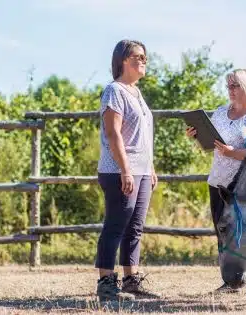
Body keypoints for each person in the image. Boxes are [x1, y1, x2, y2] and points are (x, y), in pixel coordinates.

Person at [186, 69, 246, 295]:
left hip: (245, 185)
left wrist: (233, 153)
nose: (230, 90)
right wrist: (197, 137)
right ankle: (231, 281)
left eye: (235, 86)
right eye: (228, 86)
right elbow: (210, 147)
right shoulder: (220, 112)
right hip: (217, 182)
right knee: (223, 232)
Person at [95, 39, 159, 301]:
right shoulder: (115, 90)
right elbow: (113, 134)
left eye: (145, 57)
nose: (142, 61)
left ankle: (131, 280)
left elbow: (141, 136)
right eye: (137, 56)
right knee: (116, 225)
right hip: (119, 170)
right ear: (122, 60)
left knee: (135, 227)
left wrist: (150, 167)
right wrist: (125, 170)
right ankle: (106, 284)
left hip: (142, 171)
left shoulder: (136, 93)